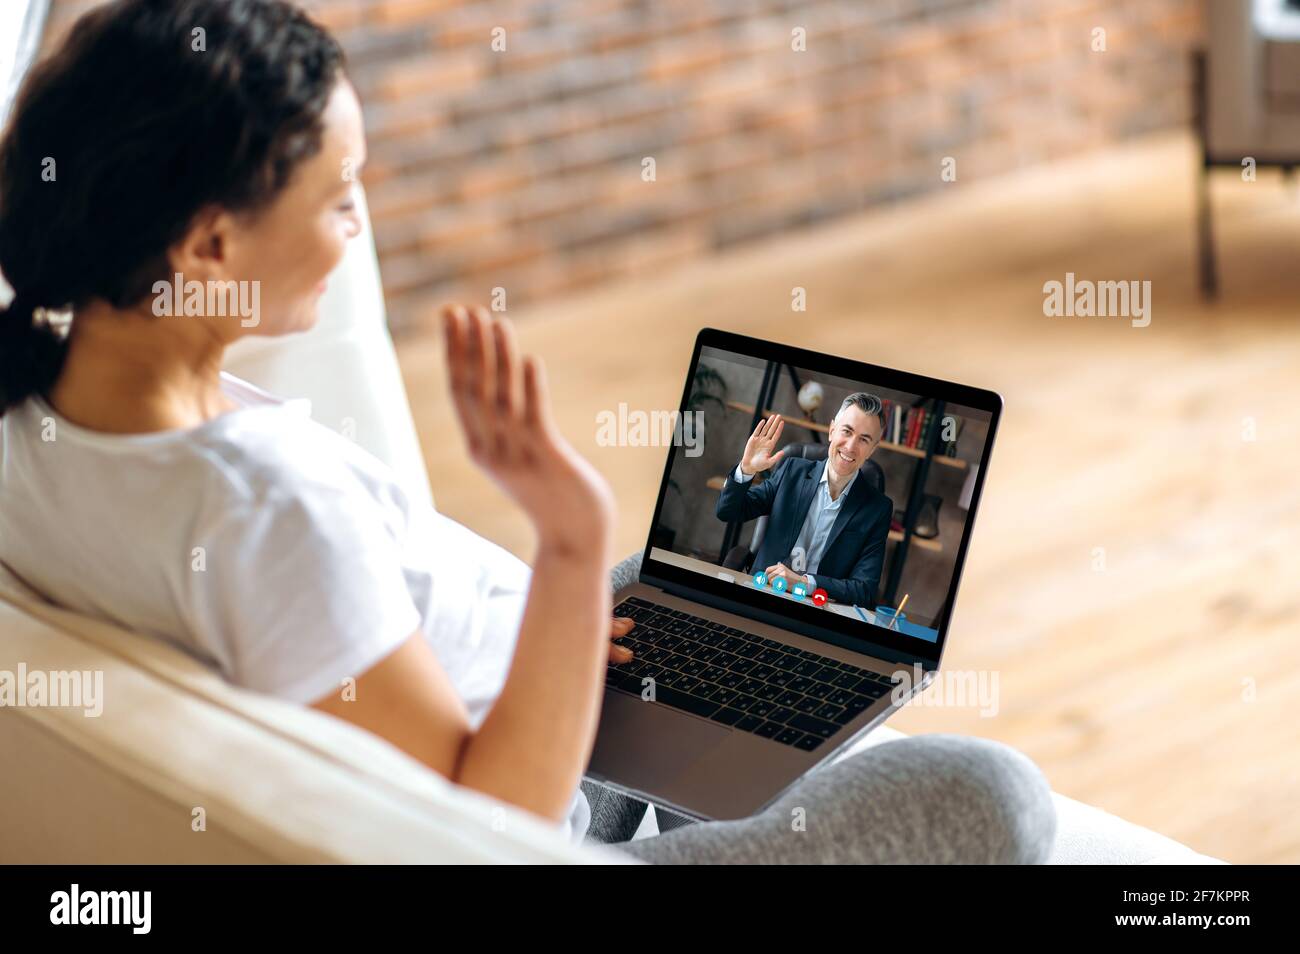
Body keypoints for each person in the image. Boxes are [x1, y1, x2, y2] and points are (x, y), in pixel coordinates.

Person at [0, 0, 1055, 863]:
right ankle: (704, 790)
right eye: (339, 195)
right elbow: (484, 824)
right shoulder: (265, 509)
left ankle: (706, 770)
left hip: (524, 707)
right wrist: (566, 536)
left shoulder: (37, 413)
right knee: (991, 794)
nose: (360, 221)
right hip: (541, 809)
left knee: (701, 593)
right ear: (209, 245)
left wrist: (554, 615)